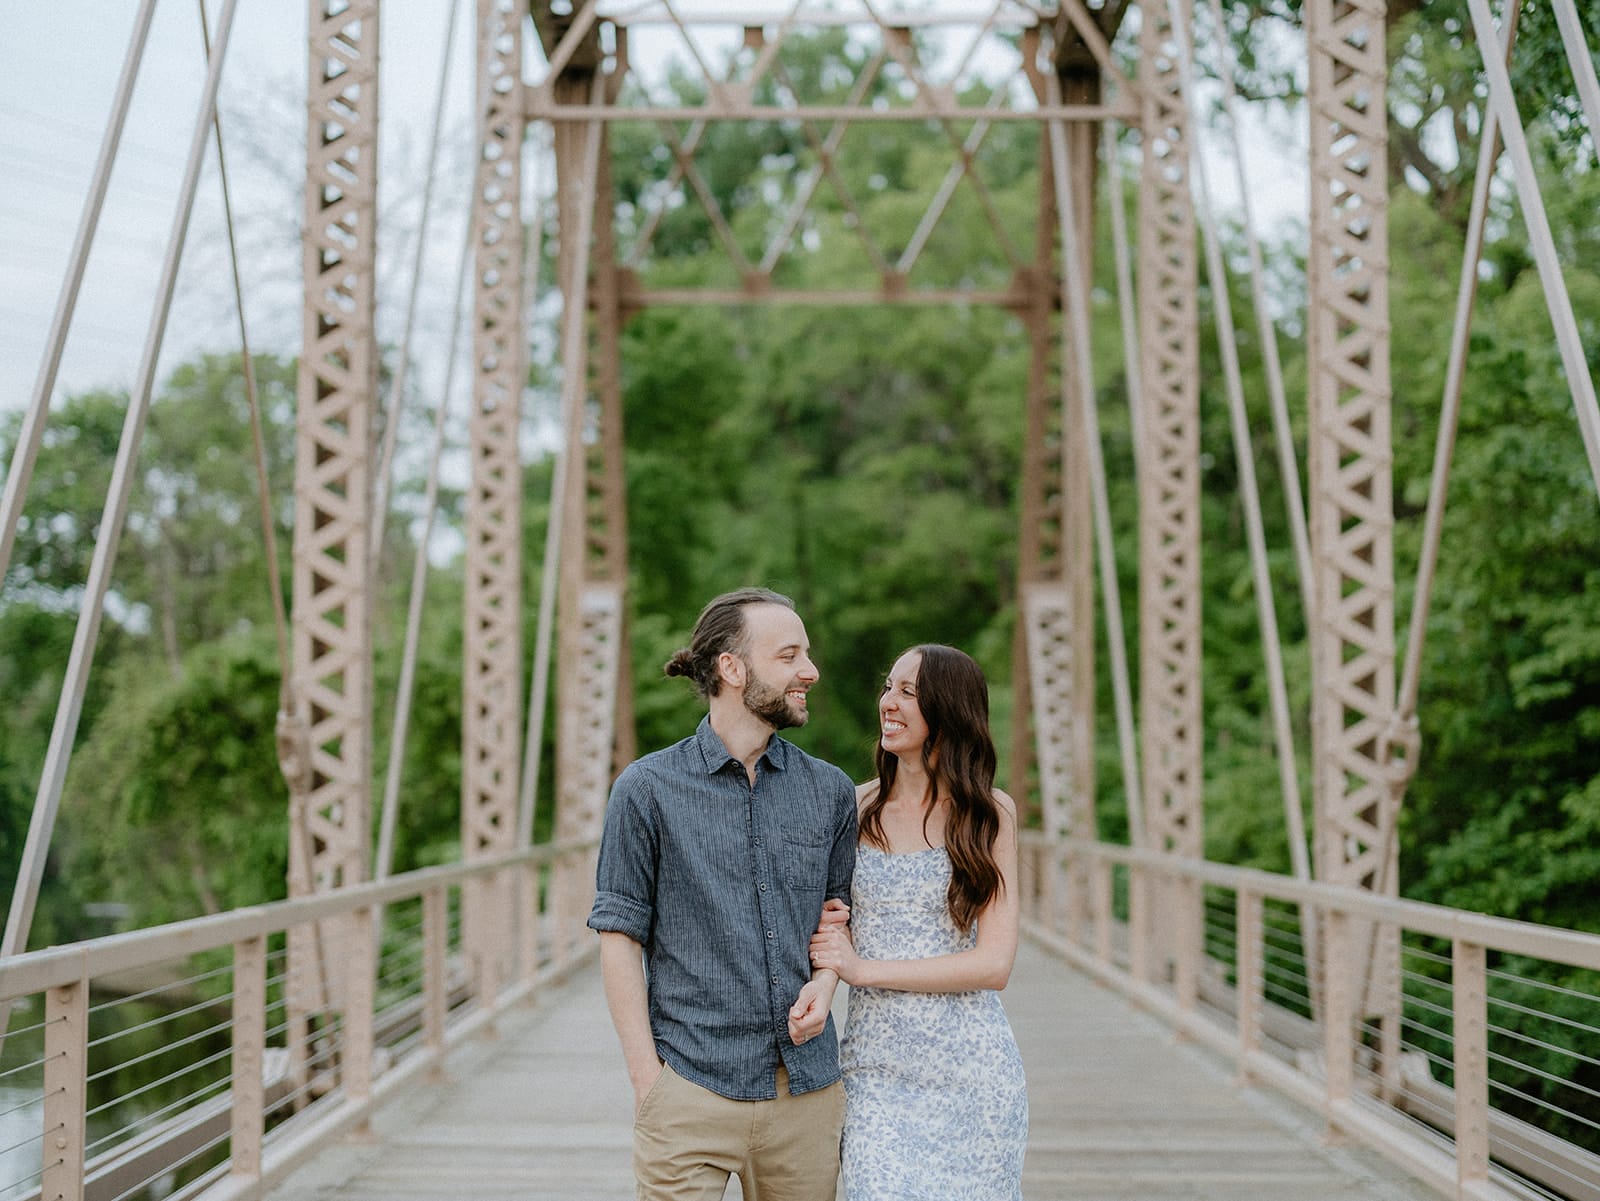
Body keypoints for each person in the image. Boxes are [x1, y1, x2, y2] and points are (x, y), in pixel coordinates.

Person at [587, 587, 858, 1201]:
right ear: (732, 669)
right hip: (689, 1089)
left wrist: (824, 986)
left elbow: (834, 925)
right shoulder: (646, 789)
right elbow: (618, 938)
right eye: (790, 656)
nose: (809, 671)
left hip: (805, 1093)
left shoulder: (830, 791)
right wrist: (647, 1082)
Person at [808, 644, 1028, 1200]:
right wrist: (832, 972)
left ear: (948, 711)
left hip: (973, 1075)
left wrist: (864, 970)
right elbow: (832, 919)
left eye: (909, 693)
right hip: (875, 1069)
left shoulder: (989, 813)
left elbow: (994, 964)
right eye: (889, 687)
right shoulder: (852, 810)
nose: (889, 702)